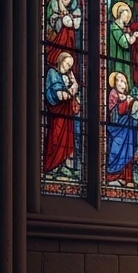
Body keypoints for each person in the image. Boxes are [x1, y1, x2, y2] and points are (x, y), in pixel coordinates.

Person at [44, 51, 79, 179]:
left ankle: (63, 165)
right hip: (58, 113)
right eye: (67, 63)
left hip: (66, 114)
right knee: (56, 136)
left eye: (70, 65)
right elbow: (60, 96)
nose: (68, 66)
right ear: (60, 60)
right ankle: (52, 165)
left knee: (67, 139)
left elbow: (69, 95)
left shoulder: (65, 77)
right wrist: (73, 87)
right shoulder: (53, 73)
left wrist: (73, 83)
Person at [106, 70, 138, 187]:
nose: (121, 84)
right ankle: (112, 177)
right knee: (116, 152)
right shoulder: (113, 94)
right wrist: (126, 103)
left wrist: (133, 106)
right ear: (114, 83)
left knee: (128, 153)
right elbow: (113, 114)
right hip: (117, 131)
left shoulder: (129, 96)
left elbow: (135, 114)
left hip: (128, 131)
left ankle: (127, 178)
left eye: (124, 82)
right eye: (118, 81)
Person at [45, 0, 81, 66]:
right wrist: (61, 7)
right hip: (55, 46)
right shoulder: (54, 11)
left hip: (70, 46)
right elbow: (58, 25)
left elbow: (75, 25)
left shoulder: (75, 12)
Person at [109, 1, 138, 86]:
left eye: (127, 16)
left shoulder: (123, 28)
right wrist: (132, 36)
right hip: (117, 56)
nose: (126, 18)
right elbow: (124, 43)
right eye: (125, 15)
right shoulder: (114, 27)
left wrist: (132, 36)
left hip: (124, 57)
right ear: (120, 14)